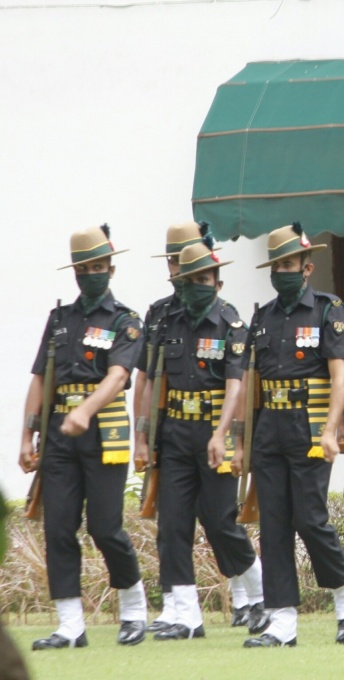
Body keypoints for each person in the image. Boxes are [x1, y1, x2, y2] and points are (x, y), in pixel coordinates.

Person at [231, 222, 344, 648]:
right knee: (272, 525)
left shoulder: (329, 310)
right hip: (270, 430)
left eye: (290, 264)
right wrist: (240, 442)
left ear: (307, 267)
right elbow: (252, 386)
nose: (283, 271)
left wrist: (330, 429)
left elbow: (340, 377)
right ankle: (282, 619)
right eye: (277, 265)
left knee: (310, 518)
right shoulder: (263, 317)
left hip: (309, 428)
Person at [21, 225, 148, 649]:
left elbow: (118, 376)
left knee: (105, 527)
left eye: (98, 266)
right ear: (75, 271)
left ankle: (133, 608)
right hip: (60, 434)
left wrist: (85, 411)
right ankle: (69, 624)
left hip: (104, 431)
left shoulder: (126, 321)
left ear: (110, 269)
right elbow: (41, 378)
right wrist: (27, 434)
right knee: (58, 527)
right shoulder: (60, 319)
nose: (92, 273)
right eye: (85, 267)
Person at [134, 222, 264, 634]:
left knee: (221, 521)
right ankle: (185, 615)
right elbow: (149, 380)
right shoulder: (163, 319)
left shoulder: (230, 323)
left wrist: (224, 433)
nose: (195, 285)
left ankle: (260, 594)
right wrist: (141, 435)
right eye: (189, 279)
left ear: (218, 280)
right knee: (172, 523)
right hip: (174, 433)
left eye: (204, 278)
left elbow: (236, 385)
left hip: (213, 432)